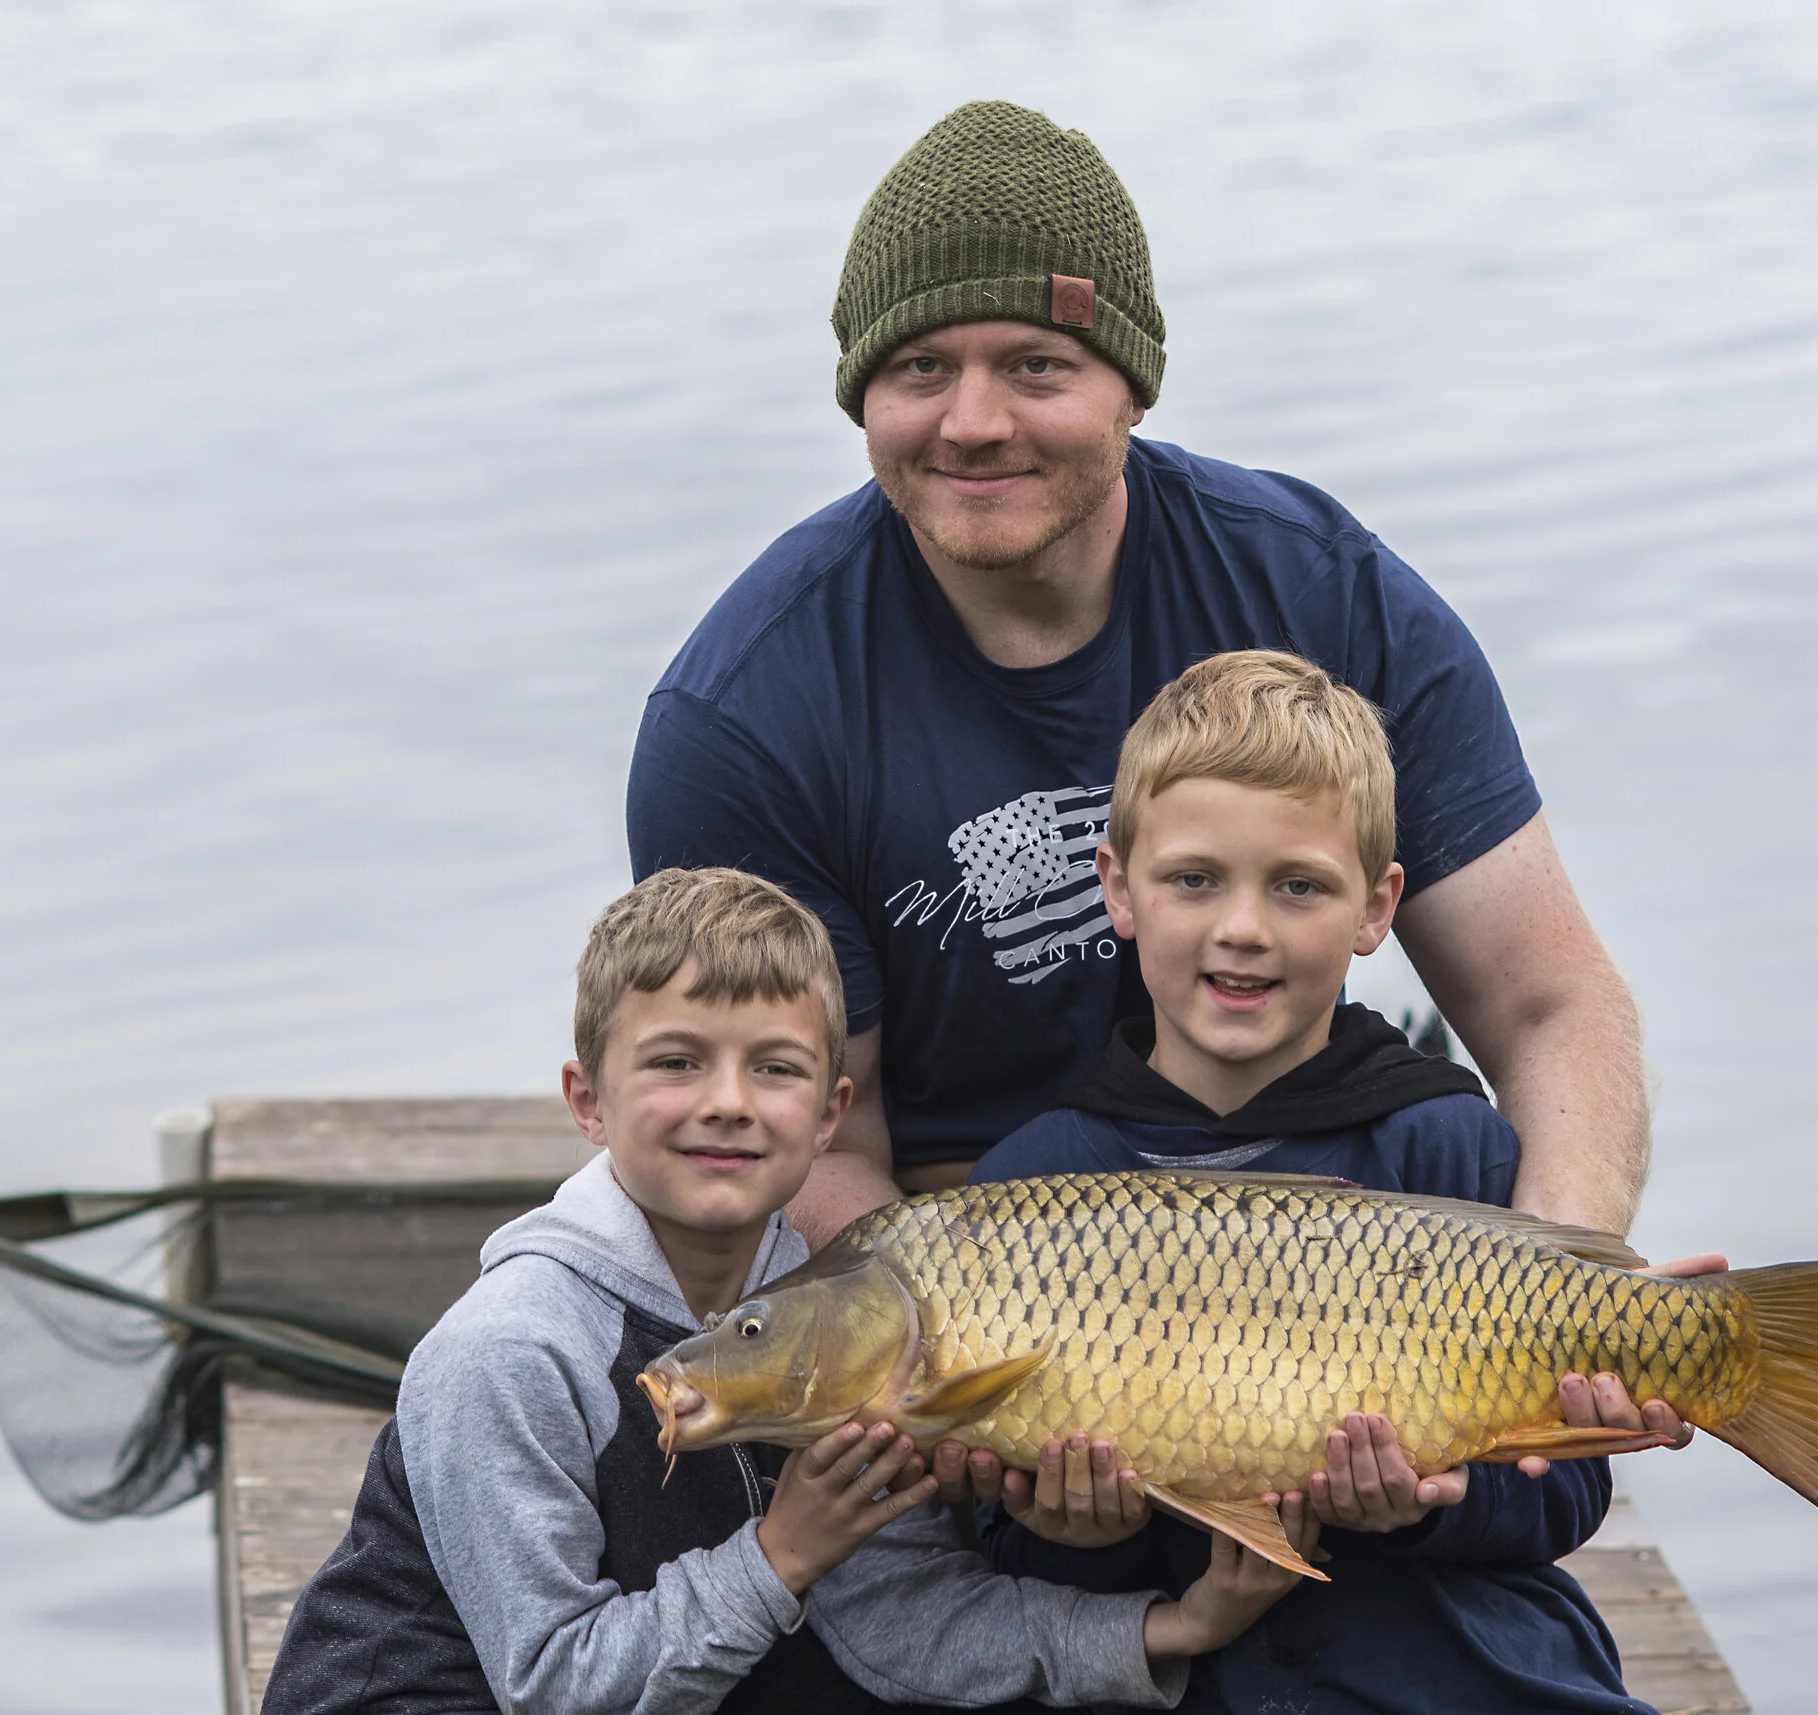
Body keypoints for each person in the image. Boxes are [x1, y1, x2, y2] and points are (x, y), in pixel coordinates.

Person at [626, 100, 1671, 1283]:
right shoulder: (745, 717)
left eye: (1035, 366)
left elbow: (1550, 1006)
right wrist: (1024, 1397)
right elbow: (810, 1147)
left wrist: (1557, 1299)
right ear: (862, 396)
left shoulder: (1326, 594)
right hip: (974, 1280)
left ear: (1132, 388)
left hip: (1328, 1240)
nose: (972, 423)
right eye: (921, 367)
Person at [260, 866, 1310, 1715]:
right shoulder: (509, 1348)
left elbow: (901, 1618)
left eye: (773, 1068)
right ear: (587, 1099)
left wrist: (1167, 1628)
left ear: (829, 1114)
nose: (727, 1102)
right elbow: (555, 1684)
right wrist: (780, 1552)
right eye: (676, 1060)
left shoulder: (837, 1324)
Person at [966, 651, 1657, 1714]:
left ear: (1377, 907)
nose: (1243, 926)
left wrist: (1429, 1502)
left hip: (1449, 1672)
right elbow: (995, 1531)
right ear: (1118, 888)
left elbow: (1562, 1492)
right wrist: (1068, 1528)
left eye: (1297, 885)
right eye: (1194, 878)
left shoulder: (1449, 1148)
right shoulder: (1031, 1186)